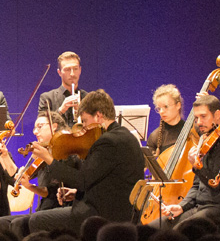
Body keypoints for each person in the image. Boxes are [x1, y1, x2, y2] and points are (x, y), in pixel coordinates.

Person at [28, 90, 144, 233]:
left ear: (98, 116)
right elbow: (107, 182)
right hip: (119, 210)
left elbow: (82, 180)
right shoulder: (126, 136)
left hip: (104, 215)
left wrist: (49, 159)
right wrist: (77, 193)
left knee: (36, 220)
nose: (83, 127)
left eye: (84, 121)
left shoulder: (107, 142)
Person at [162, 95, 220, 230]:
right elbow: (197, 185)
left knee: (180, 231)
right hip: (201, 207)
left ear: (217, 115)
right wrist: (182, 206)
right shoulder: (204, 141)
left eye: (203, 116)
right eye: (196, 118)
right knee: (156, 227)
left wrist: (197, 167)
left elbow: (216, 184)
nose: (199, 122)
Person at [0, 112, 61, 235]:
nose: (35, 132)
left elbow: (50, 192)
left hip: (55, 209)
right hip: (42, 210)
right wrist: (4, 156)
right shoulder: (41, 153)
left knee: (18, 224)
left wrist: (29, 186)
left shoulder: (60, 153)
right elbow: (17, 176)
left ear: (54, 126)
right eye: (35, 128)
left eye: (40, 127)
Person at [37, 51, 83, 127]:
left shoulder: (88, 98)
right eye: (67, 69)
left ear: (80, 70)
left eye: (75, 69)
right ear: (59, 72)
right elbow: (42, 126)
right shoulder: (47, 98)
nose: (72, 74)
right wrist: (61, 110)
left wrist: (83, 113)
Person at [147, 84, 187, 154]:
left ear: (178, 105)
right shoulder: (154, 137)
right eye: (159, 108)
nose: (161, 111)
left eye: (166, 106)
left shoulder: (192, 131)